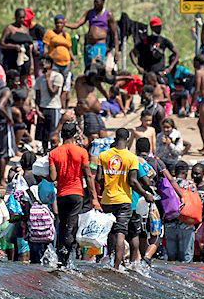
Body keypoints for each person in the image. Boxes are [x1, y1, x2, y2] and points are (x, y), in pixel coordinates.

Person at [97, 128, 155, 270]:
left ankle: (111, 260)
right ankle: (117, 266)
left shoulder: (104, 155)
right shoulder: (131, 157)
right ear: (128, 138)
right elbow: (133, 181)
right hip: (123, 200)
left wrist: (109, 184)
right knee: (121, 233)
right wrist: (145, 194)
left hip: (107, 200)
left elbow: (98, 178)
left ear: (115, 138)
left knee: (111, 232)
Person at [48, 120, 99, 265]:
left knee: (63, 225)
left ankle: (61, 259)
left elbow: (53, 178)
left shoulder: (53, 153)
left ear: (62, 134)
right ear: (74, 134)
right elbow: (88, 176)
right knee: (72, 225)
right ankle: (68, 259)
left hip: (62, 194)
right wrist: (94, 198)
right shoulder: (82, 152)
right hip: (77, 193)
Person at [68, 0, 118, 71]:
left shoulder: (108, 15)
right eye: (95, 2)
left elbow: (115, 34)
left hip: (99, 46)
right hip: (89, 46)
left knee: (96, 68)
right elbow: (77, 24)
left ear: (103, 2)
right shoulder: (90, 13)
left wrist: (116, 52)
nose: (96, 4)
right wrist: (65, 24)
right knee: (88, 70)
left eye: (98, 2)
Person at [34, 55, 64, 151]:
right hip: (43, 108)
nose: (42, 64)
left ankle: (54, 152)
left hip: (53, 108)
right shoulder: (39, 80)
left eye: (45, 62)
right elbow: (37, 97)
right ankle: (44, 152)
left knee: (53, 133)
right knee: (43, 135)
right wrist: (37, 111)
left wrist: (48, 79)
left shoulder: (57, 77)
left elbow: (53, 93)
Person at [43, 14, 74, 107]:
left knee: (64, 84)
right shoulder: (50, 33)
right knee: (54, 81)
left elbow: (69, 49)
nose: (59, 25)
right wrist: (46, 57)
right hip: (54, 62)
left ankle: (62, 104)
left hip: (66, 63)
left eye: (61, 23)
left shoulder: (66, 35)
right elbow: (45, 47)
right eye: (57, 23)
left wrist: (74, 59)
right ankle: (52, 102)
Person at [0, 8, 35, 77]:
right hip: (12, 59)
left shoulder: (25, 29)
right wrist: (14, 46)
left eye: (23, 18)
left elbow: (29, 47)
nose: (22, 20)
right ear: (15, 17)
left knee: (24, 78)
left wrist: (31, 64)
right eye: (20, 18)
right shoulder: (9, 28)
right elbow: (2, 43)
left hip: (25, 59)